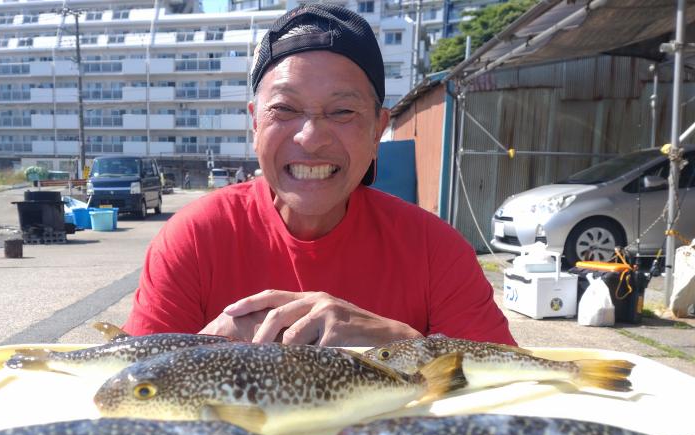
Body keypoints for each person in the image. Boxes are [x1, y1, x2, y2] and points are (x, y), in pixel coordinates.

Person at [123, 3, 515, 347]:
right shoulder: (195, 237)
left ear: (377, 129)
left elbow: (509, 385)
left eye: (342, 112)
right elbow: (129, 385)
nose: (310, 139)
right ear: (255, 123)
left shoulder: (436, 251)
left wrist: (397, 339)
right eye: (285, 109)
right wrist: (206, 350)